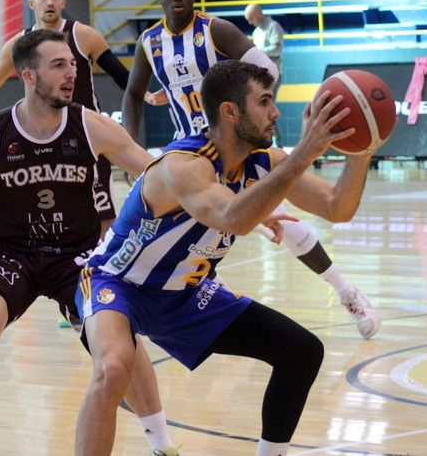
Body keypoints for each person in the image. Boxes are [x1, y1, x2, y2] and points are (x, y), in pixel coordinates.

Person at [75, 60, 383, 455]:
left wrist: (363, 150)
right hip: (118, 283)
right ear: (230, 111)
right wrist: (303, 153)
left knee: (302, 351)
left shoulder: (263, 161)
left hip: (185, 293)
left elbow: (337, 207)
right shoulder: (182, 166)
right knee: (112, 369)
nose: (275, 113)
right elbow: (231, 218)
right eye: (265, 102)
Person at [0, 30, 180, 456]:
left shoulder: (91, 125)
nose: (72, 73)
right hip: (13, 253)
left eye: (72, 64)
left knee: (120, 349)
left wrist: (231, 205)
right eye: (59, 66)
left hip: (79, 256)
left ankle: (163, 445)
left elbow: (158, 173)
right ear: (28, 76)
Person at [125, 0, 381, 339]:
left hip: (235, 144)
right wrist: (134, 151)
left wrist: (239, 99)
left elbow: (266, 71)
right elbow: (132, 94)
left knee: (284, 223)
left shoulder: (216, 30)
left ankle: (347, 293)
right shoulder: (149, 42)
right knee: (174, 232)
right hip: (188, 153)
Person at [0, 0, 138, 238]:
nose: (50, 2)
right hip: (45, 141)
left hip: (87, 138)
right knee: (53, 215)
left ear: (63, 1)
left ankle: (98, 272)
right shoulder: (20, 45)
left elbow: (120, 75)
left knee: (103, 216)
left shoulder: (83, 35)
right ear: (31, 3)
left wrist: (146, 95)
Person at [245, 3, 284, 146]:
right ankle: (264, 143)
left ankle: (277, 145)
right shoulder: (256, 32)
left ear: (258, 14)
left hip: (273, 76)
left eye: (250, 19)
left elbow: (277, 50)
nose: (249, 22)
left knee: (269, 110)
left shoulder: (273, 26)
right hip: (259, 78)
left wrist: (259, 52)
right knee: (259, 110)